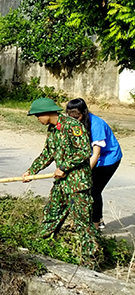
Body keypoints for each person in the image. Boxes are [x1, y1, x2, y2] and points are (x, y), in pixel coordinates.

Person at [23, 97, 99, 266]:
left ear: (46, 113)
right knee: (51, 214)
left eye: (37, 116)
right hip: (62, 184)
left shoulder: (73, 126)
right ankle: (42, 247)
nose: (37, 119)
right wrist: (32, 170)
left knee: (82, 223)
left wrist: (64, 167)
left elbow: (85, 151)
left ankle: (90, 261)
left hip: (77, 184)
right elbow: (47, 153)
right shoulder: (52, 130)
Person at [65, 98, 122, 230]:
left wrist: (83, 173)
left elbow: (96, 154)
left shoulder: (96, 124)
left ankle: (95, 225)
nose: (73, 119)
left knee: (93, 190)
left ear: (83, 113)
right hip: (91, 157)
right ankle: (93, 219)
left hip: (108, 159)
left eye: (76, 116)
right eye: (70, 116)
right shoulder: (73, 122)